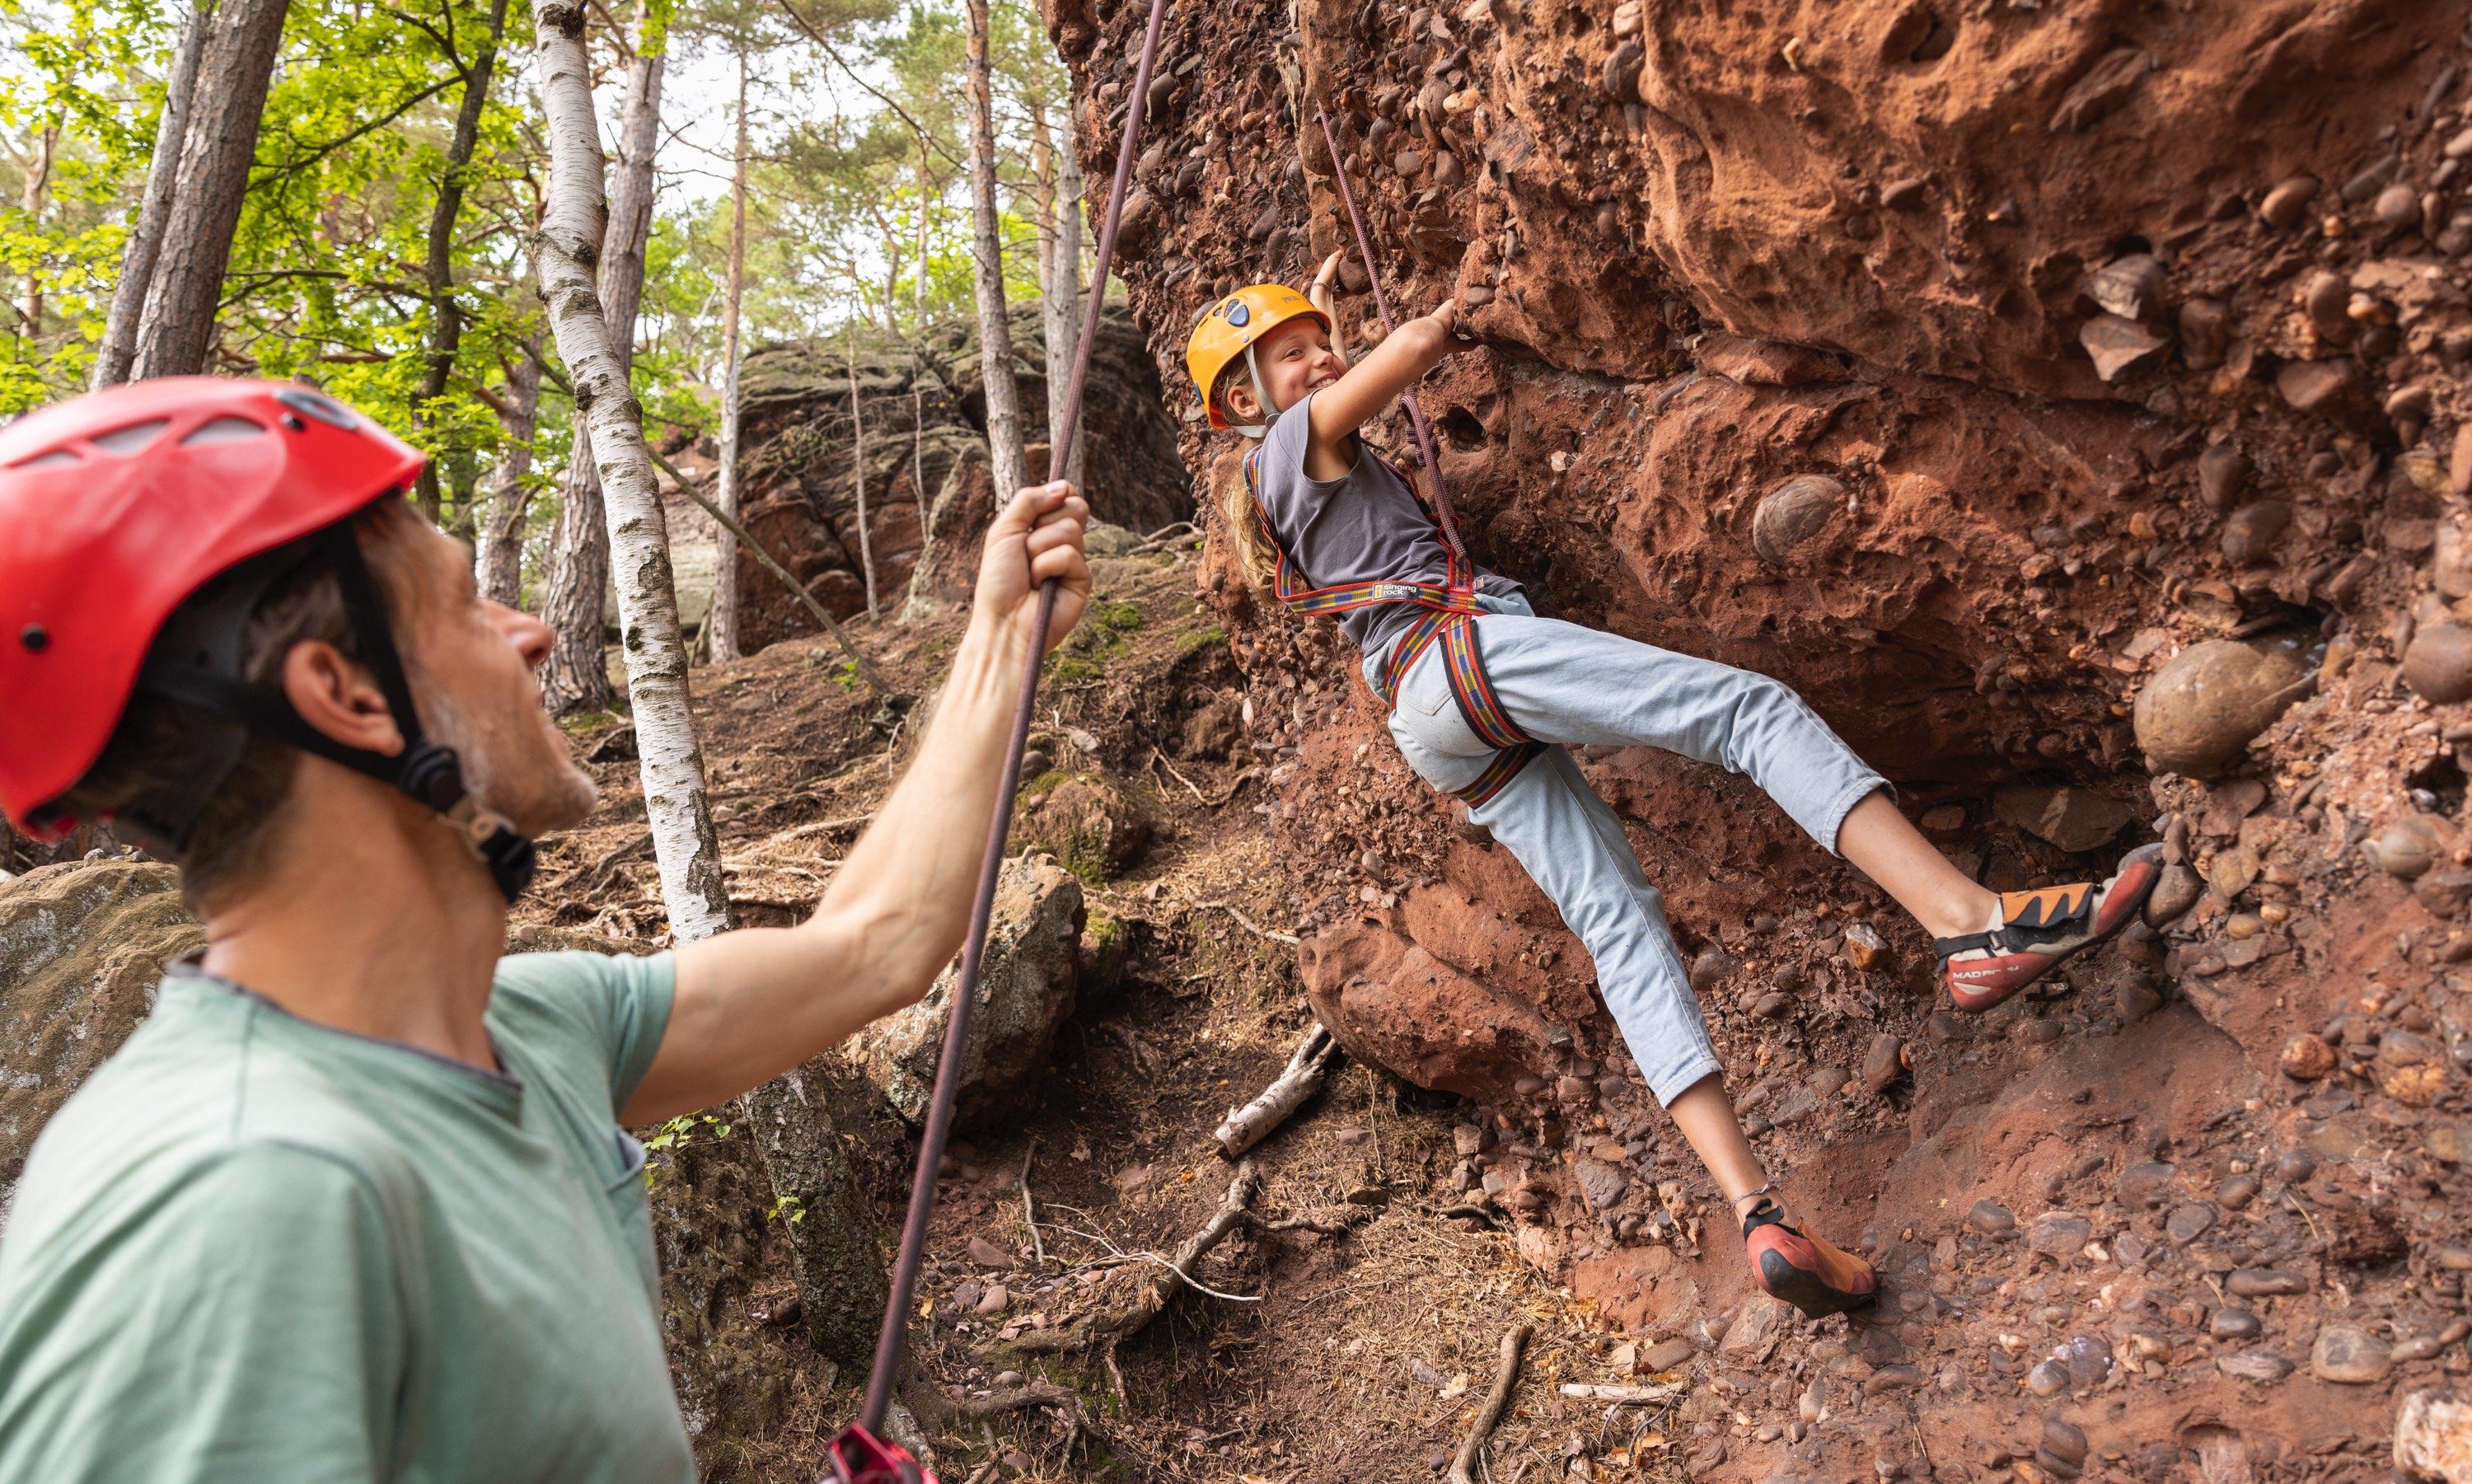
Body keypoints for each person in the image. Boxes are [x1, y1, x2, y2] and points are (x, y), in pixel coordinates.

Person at [0, 376, 1091, 1482]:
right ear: (351, 695)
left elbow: (876, 944)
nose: (532, 634)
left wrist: (999, 639)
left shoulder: (529, 1031)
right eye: (470, 603)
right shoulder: (231, 1200)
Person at [1191, 261, 2163, 1318]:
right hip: (1459, 655)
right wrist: (1438, 315)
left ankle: (1758, 1211)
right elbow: (1411, 359)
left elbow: (1352, 387)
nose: (1321, 359)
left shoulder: (1303, 488)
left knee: (1619, 929)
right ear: (1245, 400)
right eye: (1292, 354)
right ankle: (1971, 923)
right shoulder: (1288, 445)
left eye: (1321, 343)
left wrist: (1320, 315)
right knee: (1750, 713)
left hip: (1431, 714)